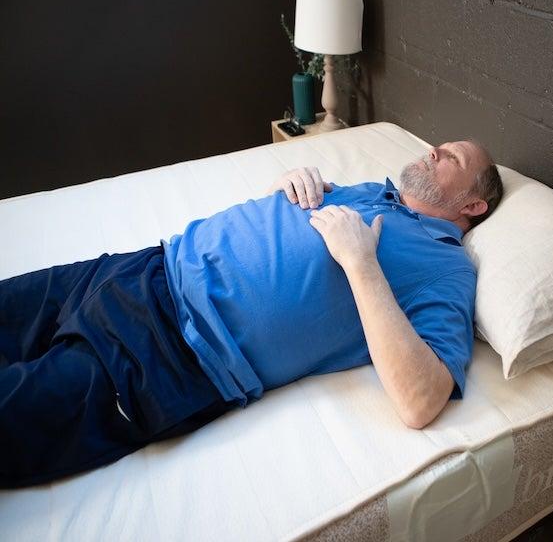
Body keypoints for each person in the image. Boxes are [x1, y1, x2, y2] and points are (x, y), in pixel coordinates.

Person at [0, 140, 503, 487]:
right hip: (146, 267)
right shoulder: (378, 192)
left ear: (474, 206)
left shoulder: (447, 268)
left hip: (171, 352)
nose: (434, 150)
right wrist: (287, 185)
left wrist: (362, 264)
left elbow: (421, 399)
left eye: (452, 157)